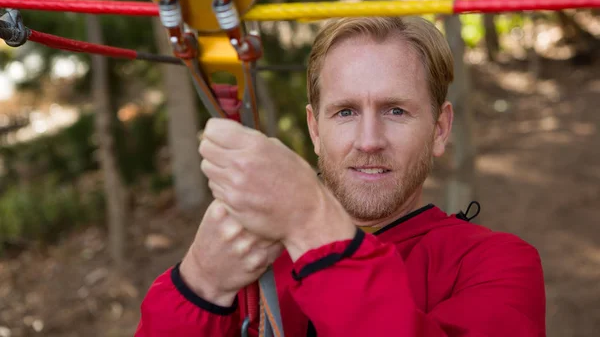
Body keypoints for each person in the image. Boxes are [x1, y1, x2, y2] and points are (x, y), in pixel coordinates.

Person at [134, 17, 546, 337]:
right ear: (315, 129)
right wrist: (199, 284)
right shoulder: (246, 262)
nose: (369, 141)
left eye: (396, 111)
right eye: (345, 111)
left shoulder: (496, 264)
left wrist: (310, 221)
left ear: (440, 129)